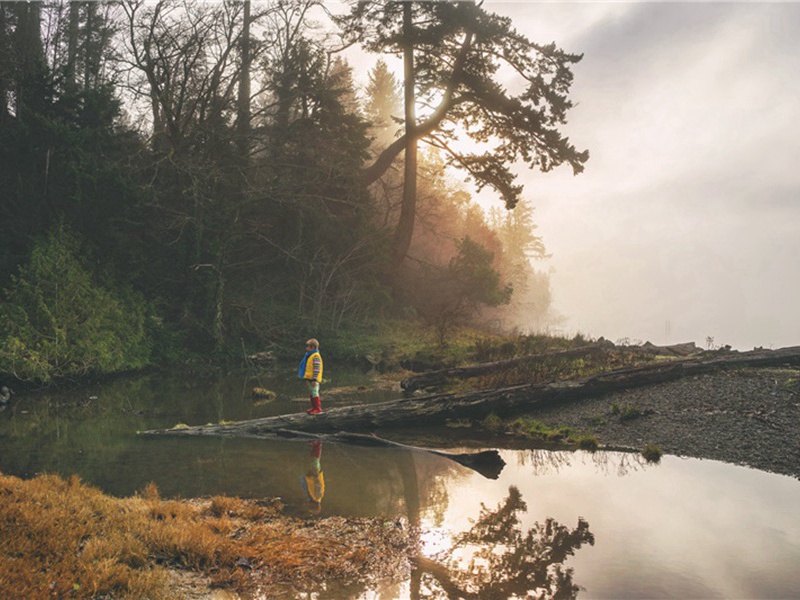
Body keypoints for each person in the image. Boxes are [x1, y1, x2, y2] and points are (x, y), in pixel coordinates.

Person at [298, 338, 323, 414]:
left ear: (313, 348)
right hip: (310, 378)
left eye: (308, 347)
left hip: (314, 379)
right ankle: (313, 407)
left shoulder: (315, 356)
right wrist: (307, 379)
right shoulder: (310, 356)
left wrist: (314, 379)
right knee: (312, 393)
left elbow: (316, 369)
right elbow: (308, 369)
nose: (306, 348)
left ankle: (318, 408)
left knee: (315, 392)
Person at [301, 441, 325, 513]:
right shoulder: (317, 497)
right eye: (310, 506)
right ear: (315, 505)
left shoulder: (312, 498)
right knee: (315, 460)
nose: (308, 505)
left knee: (312, 459)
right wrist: (315, 476)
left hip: (310, 476)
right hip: (314, 474)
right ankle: (318, 445)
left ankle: (314, 447)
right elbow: (318, 485)